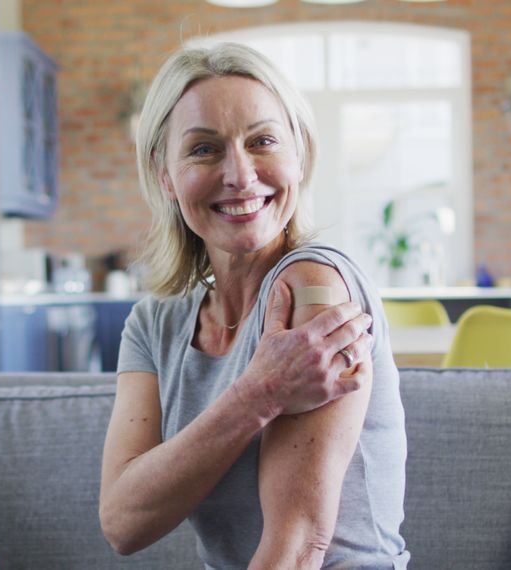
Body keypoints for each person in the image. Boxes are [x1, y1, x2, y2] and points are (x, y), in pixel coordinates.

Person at [99, 42, 409, 569]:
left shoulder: (312, 283)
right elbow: (124, 522)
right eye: (204, 149)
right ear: (165, 175)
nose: (241, 175)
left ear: (300, 155)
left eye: (262, 140)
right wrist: (259, 393)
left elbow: (298, 546)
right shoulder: (155, 326)